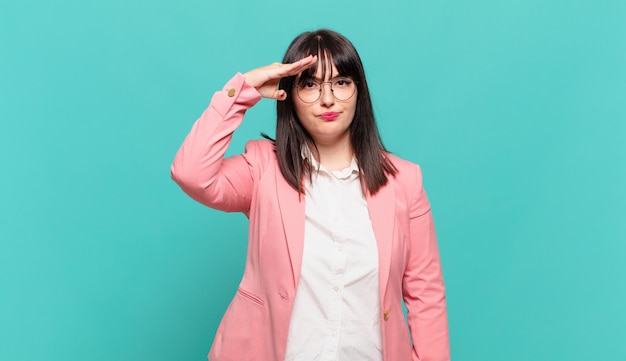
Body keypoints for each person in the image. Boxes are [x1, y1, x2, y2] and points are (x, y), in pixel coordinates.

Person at [171, 29, 450, 361]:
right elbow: (191, 173)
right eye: (310, 84)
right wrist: (242, 91)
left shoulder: (404, 181)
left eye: (341, 82)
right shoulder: (262, 169)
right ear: (289, 93)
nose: (327, 98)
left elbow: (426, 295)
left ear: (360, 92)